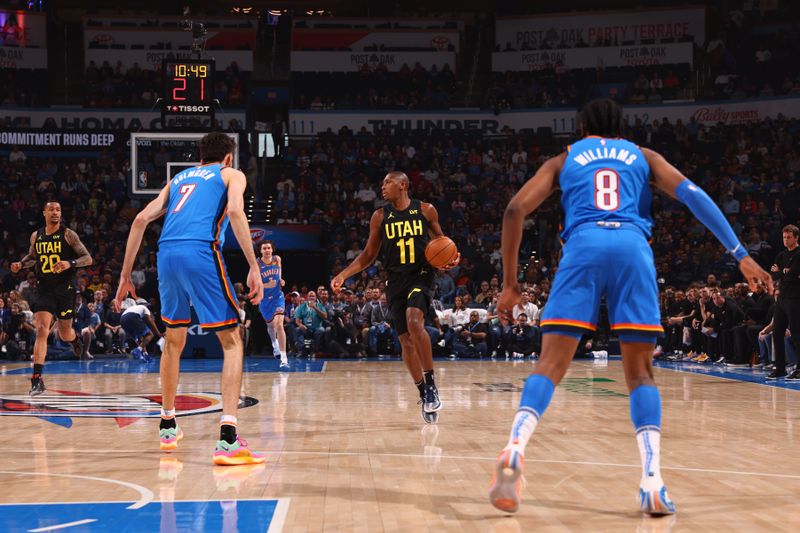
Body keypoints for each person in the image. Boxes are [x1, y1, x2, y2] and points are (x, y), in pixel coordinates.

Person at [488, 99, 772, 516]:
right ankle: (652, 481)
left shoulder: (563, 159)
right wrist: (741, 254)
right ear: (622, 127)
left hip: (582, 246)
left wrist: (510, 286)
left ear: (582, 127)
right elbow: (693, 195)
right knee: (640, 373)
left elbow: (515, 209)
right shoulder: (644, 156)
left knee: (549, 366)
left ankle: (515, 446)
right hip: (632, 248)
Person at [115, 132, 265, 465]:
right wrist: (254, 265)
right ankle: (228, 440)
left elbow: (140, 219)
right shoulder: (230, 174)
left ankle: (167, 425)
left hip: (166, 254)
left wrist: (125, 276)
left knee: (173, 340)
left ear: (200, 156)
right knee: (232, 340)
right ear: (228, 158)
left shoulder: (179, 178)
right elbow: (237, 214)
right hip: (200, 250)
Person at [331, 171, 459, 424]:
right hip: (395, 280)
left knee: (414, 322)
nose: (383, 186)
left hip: (421, 275)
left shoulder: (426, 210)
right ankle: (423, 391)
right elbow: (368, 255)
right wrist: (343, 275)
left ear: (403, 185)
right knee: (406, 343)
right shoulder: (380, 217)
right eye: (382, 183)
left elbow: (443, 244)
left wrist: (450, 259)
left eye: (387, 182)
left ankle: (431, 382)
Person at [11, 201, 93, 395]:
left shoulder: (68, 234)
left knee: (65, 333)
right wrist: (20, 265)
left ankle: (74, 340)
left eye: (58, 210)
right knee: (41, 330)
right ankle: (37, 379)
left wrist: (69, 263)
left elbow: (88, 258)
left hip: (65, 290)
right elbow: (33, 257)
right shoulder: (36, 236)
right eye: (52, 210)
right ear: (44, 213)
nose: (55, 213)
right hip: (45, 290)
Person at [768, 224, 800, 380]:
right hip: (781, 299)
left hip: (796, 298)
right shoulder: (781, 255)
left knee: (796, 333)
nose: (785, 240)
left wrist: (782, 272)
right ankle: (780, 368)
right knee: (776, 332)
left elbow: (793, 275)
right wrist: (784, 272)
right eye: (784, 237)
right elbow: (774, 276)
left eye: (789, 237)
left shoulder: (799, 254)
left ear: (796, 237)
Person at [257, 241, 290, 371]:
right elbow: (250, 284)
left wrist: (280, 280)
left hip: (278, 297)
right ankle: (274, 343)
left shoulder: (277, 259)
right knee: (271, 326)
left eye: (269, 248)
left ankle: (284, 358)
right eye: (264, 248)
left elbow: (279, 272)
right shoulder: (257, 264)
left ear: (272, 249)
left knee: (279, 325)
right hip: (264, 299)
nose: (267, 250)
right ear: (260, 251)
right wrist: (265, 286)